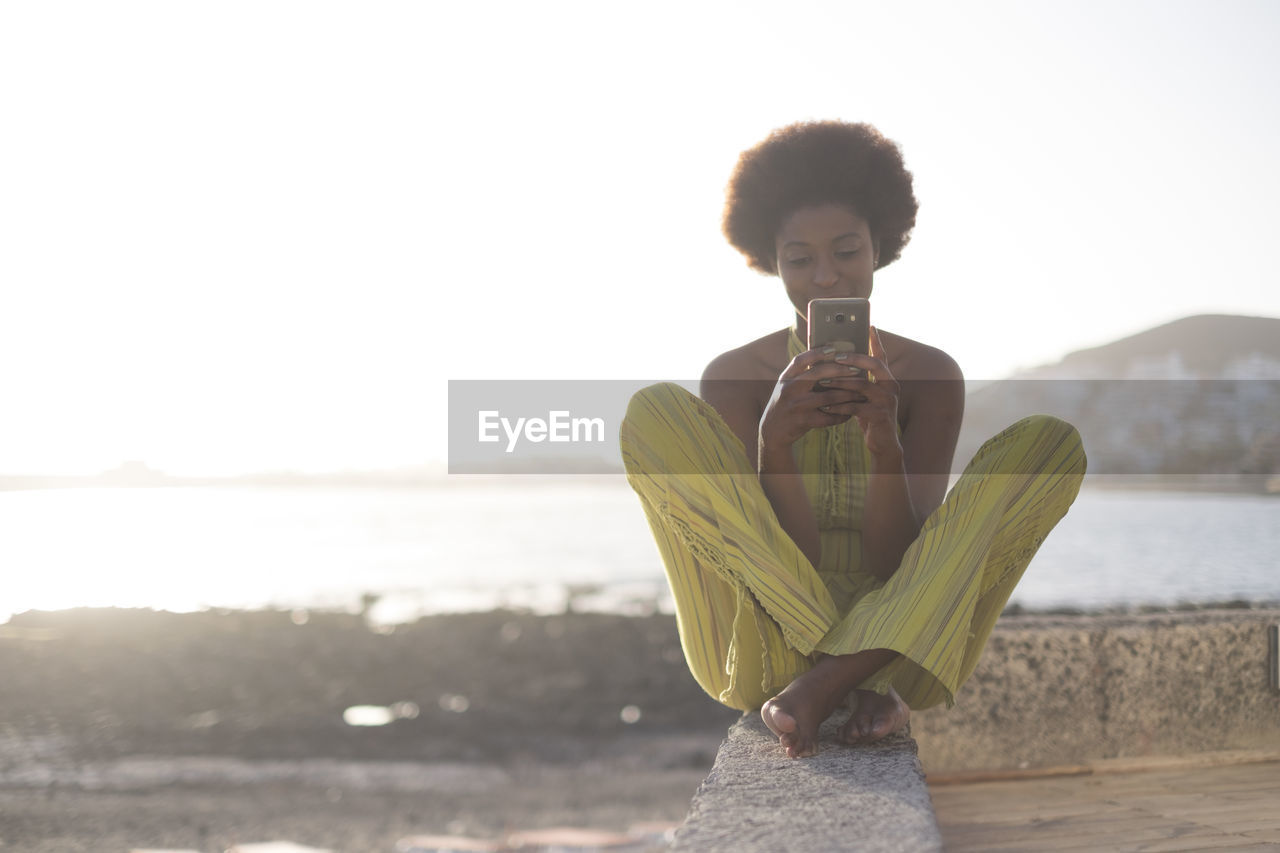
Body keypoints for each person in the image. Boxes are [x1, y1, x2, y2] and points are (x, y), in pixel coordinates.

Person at [619, 120, 1086, 759]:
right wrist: (773, 445)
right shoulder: (735, 378)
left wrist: (885, 446)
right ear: (770, 260)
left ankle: (832, 679)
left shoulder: (929, 376)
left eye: (846, 251)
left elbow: (902, 562)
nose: (827, 278)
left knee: (1047, 447)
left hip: (904, 633)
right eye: (799, 258)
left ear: (879, 249)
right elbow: (768, 562)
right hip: (767, 643)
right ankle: (855, 676)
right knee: (655, 413)